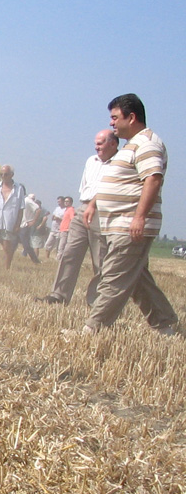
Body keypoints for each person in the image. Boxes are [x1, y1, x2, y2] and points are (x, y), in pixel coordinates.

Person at [83, 94, 177, 334]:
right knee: (137, 281)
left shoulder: (147, 143)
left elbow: (153, 179)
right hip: (120, 225)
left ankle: (93, 329)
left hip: (129, 225)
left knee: (114, 279)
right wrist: (95, 203)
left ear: (131, 117)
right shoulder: (131, 145)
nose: (112, 123)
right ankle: (166, 324)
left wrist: (139, 217)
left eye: (115, 117)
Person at [37, 130, 118, 306]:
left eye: (101, 143)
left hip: (103, 212)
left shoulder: (120, 163)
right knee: (69, 253)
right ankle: (58, 295)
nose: (96, 146)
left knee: (101, 259)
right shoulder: (91, 161)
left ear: (113, 144)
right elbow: (85, 187)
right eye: (96, 143)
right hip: (83, 208)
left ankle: (99, 303)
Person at [18, 193, 42, 263]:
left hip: (24, 225)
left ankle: (36, 261)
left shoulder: (27, 200)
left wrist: (33, 221)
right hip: (20, 225)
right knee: (13, 244)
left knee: (26, 244)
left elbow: (38, 210)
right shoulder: (22, 201)